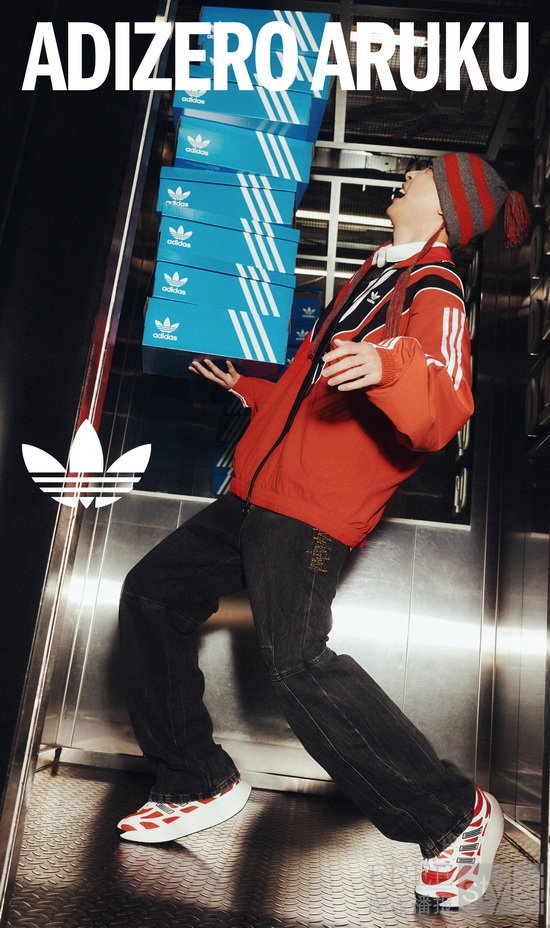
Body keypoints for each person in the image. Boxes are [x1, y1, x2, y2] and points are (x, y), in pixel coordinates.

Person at [117, 153, 529, 911]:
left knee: (298, 664)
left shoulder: (434, 287)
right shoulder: (376, 269)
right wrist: (254, 391)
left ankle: (452, 816)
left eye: (421, 173)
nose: (406, 175)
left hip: (310, 506)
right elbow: (318, 387)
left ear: (446, 207)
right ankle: (196, 777)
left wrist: (387, 368)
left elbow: (442, 402)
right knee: (151, 594)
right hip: (261, 491)